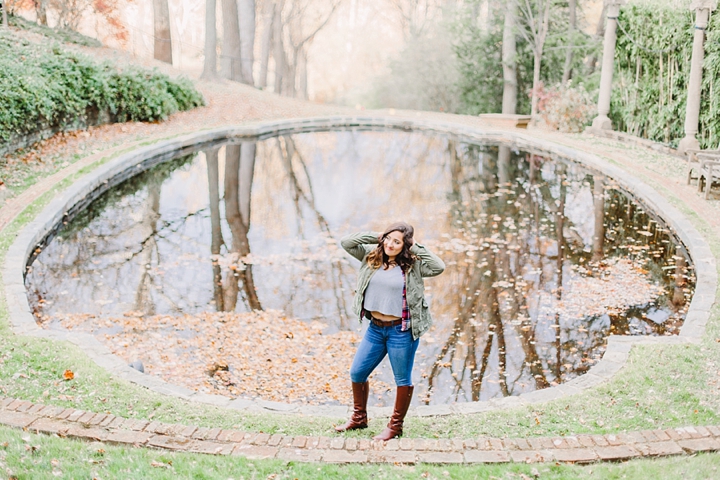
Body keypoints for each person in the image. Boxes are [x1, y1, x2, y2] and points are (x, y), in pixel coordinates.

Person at [335, 222, 445, 440]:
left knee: (402, 379)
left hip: (401, 331)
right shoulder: (371, 257)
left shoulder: (413, 266)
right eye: (388, 239)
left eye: (397, 242)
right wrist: (376, 236)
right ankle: (359, 418)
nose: (390, 245)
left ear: (405, 245)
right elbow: (347, 242)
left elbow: (438, 266)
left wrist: (414, 246)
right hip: (375, 329)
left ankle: (395, 426)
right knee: (357, 372)